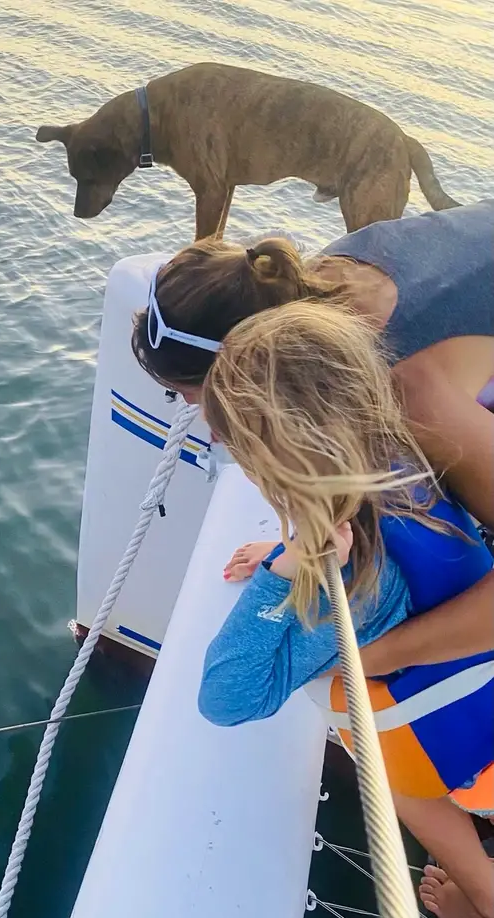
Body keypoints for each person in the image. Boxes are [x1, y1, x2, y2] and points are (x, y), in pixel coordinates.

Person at [192, 302, 494, 918]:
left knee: (395, 768)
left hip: (470, 759)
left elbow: (228, 698)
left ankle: (485, 902)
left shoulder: (348, 588)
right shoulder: (415, 459)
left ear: (275, 460)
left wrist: (284, 572)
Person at [130, 201, 494, 677]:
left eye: (196, 397)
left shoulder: (411, 396)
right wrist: (299, 549)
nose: (207, 423)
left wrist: (371, 658)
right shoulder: (295, 287)